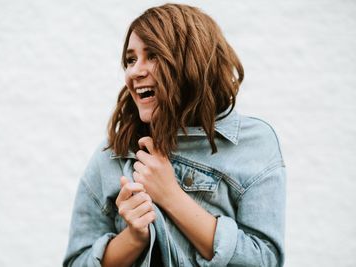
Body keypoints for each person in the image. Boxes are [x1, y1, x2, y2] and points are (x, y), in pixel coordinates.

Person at [63, 3, 286, 267]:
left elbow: (264, 260)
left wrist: (170, 196)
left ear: (192, 59)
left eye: (153, 55)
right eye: (131, 59)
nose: (134, 71)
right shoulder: (112, 155)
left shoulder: (253, 143)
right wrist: (134, 237)